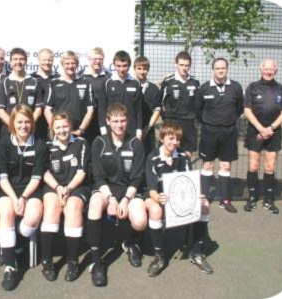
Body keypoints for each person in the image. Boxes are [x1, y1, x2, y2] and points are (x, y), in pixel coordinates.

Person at [86, 103, 145, 287]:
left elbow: (136, 178)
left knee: (141, 221)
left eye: (123, 120)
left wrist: (126, 200)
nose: (119, 125)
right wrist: (111, 199)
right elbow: (98, 176)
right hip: (106, 190)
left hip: (129, 190)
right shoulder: (99, 142)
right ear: (108, 121)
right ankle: (96, 262)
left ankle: (130, 243)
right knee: (95, 205)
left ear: (127, 121)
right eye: (115, 121)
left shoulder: (136, 143)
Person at [145, 121, 213, 276]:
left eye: (177, 139)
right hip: (158, 196)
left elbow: (190, 182)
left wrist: (199, 196)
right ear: (162, 138)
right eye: (171, 138)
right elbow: (151, 190)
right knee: (155, 211)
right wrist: (159, 198)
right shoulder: (153, 158)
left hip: (179, 197)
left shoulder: (183, 156)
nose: (175, 142)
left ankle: (196, 254)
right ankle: (160, 256)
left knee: (204, 205)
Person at [0, 104, 48, 291]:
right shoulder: (3, 143)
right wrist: (14, 197)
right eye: (19, 122)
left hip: (30, 190)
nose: (23, 126)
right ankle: (10, 266)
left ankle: (12, 243)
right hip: (8, 189)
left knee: (33, 216)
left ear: (32, 123)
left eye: (27, 121)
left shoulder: (40, 144)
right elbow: (1, 176)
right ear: (12, 124)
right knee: (7, 212)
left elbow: (37, 175)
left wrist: (24, 197)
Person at [40, 112, 90, 282]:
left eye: (65, 126)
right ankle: (46, 261)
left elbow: (82, 172)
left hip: (76, 185)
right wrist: (58, 187)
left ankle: (72, 261)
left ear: (71, 127)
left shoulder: (81, 143)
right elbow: (44, 172)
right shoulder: (46, 145)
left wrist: (68, 188)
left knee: (73, 207)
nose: (62, 130)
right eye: (58, 127)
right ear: (52, 129)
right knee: (52, 207)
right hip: (54, 185)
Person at [243, 58, 282, 214]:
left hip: (274, 132)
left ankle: (269, 200)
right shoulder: (252, 87)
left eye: (272, 69)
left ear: (275, 71)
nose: (269, 71)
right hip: (254, 131)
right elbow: (247, 111)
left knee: (270, 167)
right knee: (253, 166)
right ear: (261, 69)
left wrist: (270, 128)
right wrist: (260, 128)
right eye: (266, 68)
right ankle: (252, 198)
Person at [196, 58, 244, 213]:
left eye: (223, 68)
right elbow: (197, 110)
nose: (220, 70)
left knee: (226, 165)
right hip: (209, 132)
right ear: (213, 70)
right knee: (207, 165)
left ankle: (224, 200)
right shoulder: (204, 88)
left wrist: (228, 120)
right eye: (217, 68)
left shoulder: (235, 87)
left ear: (227, 69)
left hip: (229, 132)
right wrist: (209, 123)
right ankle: (204, 199)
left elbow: (239, 109)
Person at [44, 50, 94, 143]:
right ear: (62, 64)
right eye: (67, 63)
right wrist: (56, 128)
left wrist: (81, 130)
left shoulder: (86, 83)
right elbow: (47, 110)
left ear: (77, 64)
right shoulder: (53, 83)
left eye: (73, 63)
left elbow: (90, 110)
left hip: (79, 133)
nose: (70, 66)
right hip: (59, 134)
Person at [159, 51, 200, 157]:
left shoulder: (195, 82)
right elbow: (160, 103)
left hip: (188, 123)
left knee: (186, 156)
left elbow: (197, 104)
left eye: (187, 65)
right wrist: (167, 119)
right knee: (169, 154)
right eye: (181, 65)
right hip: (171, 122)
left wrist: (192, 116)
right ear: (175, 64)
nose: (184, 68)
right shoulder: (168, 82)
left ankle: (184, 173)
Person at [0, 47, 43, 138]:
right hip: (9, 131)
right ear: (10, 62)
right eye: (15, 59)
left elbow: (38, 110)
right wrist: (15, 127)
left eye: (21, 59)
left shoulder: (35, 81)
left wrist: (28, 126)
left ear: (26, 61)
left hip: (30, 131)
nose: (18, 62)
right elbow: (1, 112)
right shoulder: (4, 82)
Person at [98, 51, 142, 140]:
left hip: (131, 129)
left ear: (129, 65)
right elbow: (102, 108)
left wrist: (139, 129)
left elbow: (139, 109)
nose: (122, 69)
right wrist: (103, 128)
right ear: (114, 65)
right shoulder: (107, 83)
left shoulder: (135, 83)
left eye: (125, 65)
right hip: (111, 129)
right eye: (118, 66)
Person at [78, 47, 112, 143]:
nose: (97, 61)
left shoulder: (109, 77)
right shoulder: (80, 76)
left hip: (104, 121)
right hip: (85, 121)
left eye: (100, 59)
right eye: (94, 59)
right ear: (88, 59)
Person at [133, 56, 161, 157]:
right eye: (139, 68)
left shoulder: (154, 89)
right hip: (131, 129)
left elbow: (157, 110)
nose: (142, 71)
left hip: (148, 130)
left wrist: (148, 128)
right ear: (134, 69)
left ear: (148, 70)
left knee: (148, 158)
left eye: (145, 69)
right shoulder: (129, 86)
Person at [31, 48, 59, 140]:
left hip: (54, 122)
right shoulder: (31, 78)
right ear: (38, 60)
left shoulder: (59, 78)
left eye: (49, 60)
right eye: (44, 60)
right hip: (35, 123)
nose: (47, 62)